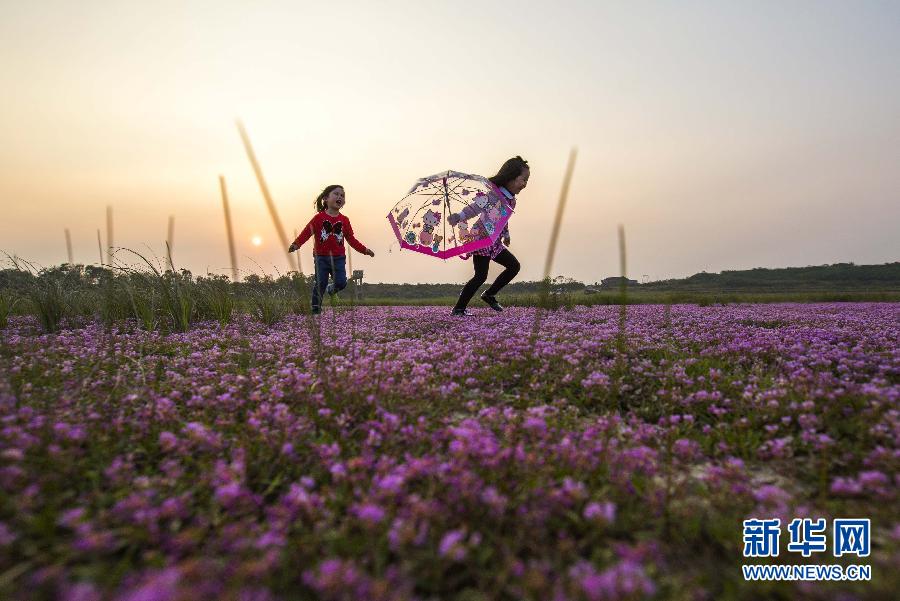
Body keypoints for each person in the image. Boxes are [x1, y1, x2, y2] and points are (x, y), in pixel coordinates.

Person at [448, 156, 528, 315]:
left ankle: (490, 294)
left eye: (527, 180)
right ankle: (459, 309)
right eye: (523, 179)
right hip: (481, 239)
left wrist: (506, 234)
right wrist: (459, 216)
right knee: (480, 276)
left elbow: (503, 219)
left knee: (514, 266)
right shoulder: (493, 195)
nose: (525, 184)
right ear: (510, 178)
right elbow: (474, 208)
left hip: (495, 242)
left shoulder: (512, 201)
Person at [288, 185, 375, 314]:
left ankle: (332, 289)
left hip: (338, 258)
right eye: (336, 194)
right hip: (321, 257)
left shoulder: (344, 220)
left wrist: (364, 250)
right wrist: (296, 244)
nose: (340, 197)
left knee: (341, 282)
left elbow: (351, 239)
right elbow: (306, 233)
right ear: (325, 199)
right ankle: (316, 309)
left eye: (342, 195)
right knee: (320, 283)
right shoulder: (318, 218)